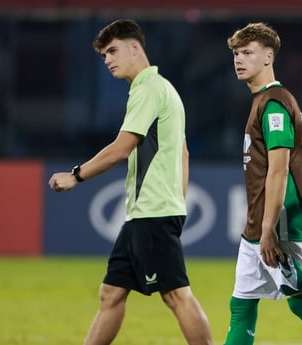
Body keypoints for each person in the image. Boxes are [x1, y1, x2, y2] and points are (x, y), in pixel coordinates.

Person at [48, 19, 213, 345]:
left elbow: (122, 147)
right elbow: (184, 153)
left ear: (135, 47)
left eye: (113, 50)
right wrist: (176, 203)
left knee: (176, 295)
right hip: (150, 210)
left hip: (152, 210)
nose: (108, 59)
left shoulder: (147, 89)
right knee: (111, 293)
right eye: (104, 54)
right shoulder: (164, 89)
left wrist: (76, 175)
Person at [224, 22, 302, 345]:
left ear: (269, 56)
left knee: (301, 301)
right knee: (240, 305)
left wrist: (269, 228)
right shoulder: (262, 100)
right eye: (237, 54)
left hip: (278, 223)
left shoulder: (274, 103)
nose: (239, 59)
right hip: (259, 223)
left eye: (248, 53)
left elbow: (279, 169)